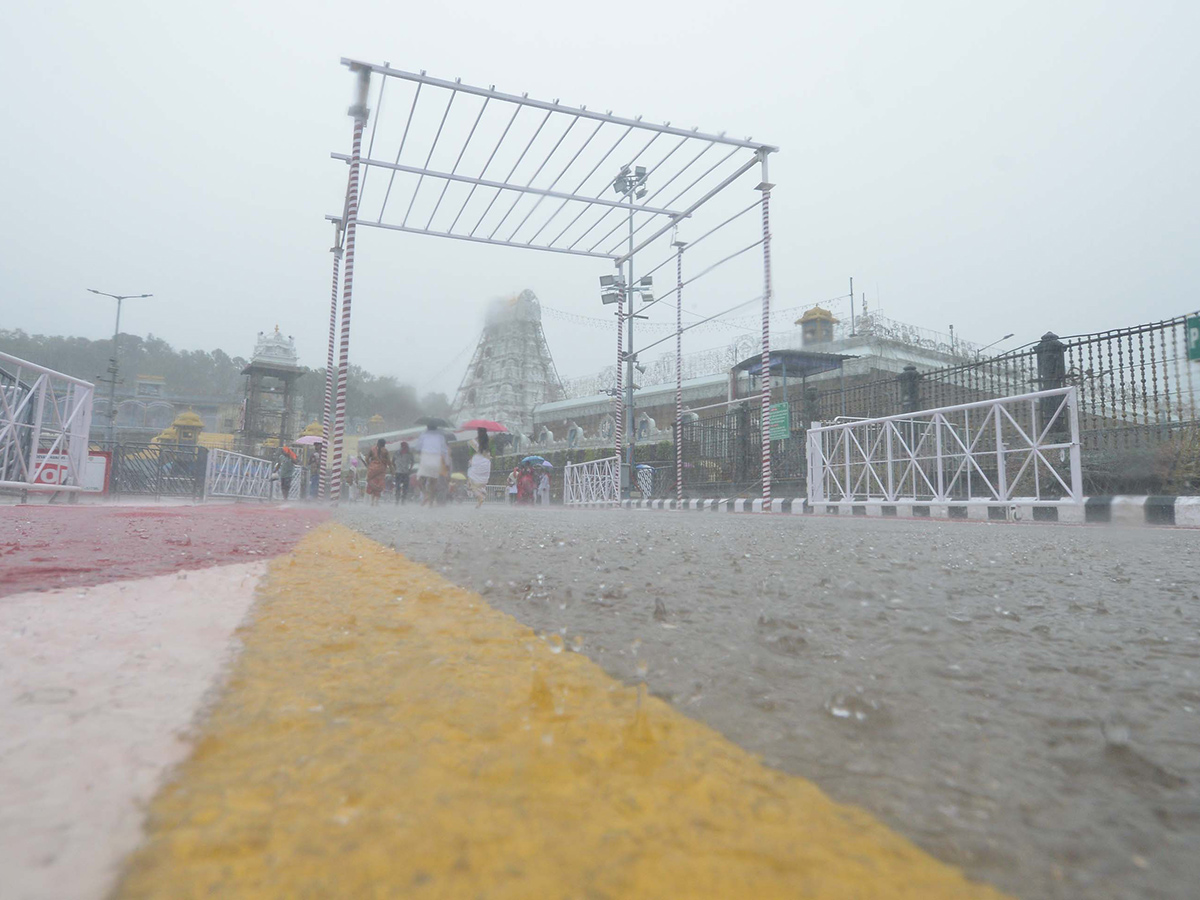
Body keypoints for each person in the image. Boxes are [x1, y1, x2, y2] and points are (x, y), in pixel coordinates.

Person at [412, 422, 451, 508]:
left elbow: (418, 447)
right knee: (433, 483)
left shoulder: (423, 435)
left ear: (427, 426)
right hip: (436, 459)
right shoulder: (440, 436)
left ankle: (425, 494)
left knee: (420, 479)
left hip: (426, 457)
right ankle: (430, 503)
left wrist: (420, 450)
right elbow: (444, 451)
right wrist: (447, 463)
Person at [466, 429, 492, 509]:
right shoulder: (489, 442)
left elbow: (470, 451)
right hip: (486, 463)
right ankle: (482, 492)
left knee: (471, 483)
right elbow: (491, 454)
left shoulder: (474, 441)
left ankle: (480, 496)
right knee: (481, 483)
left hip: (477, 462)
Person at [365, 438, 391, 506]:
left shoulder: (372, 449)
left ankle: (372, 501)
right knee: (379, 485)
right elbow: (389, 462)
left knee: (372, 485)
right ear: (384, 444)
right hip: (381, 470)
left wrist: (369, 465)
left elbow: (366, 459)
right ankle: (377, 502)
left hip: (372, 469)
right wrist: (391, 469)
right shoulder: (385, 451)